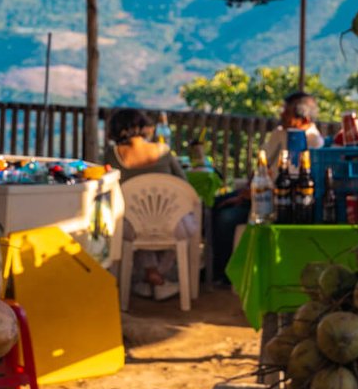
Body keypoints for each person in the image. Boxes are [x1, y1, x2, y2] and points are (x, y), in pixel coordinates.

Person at [212, 92, 326, 283]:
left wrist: (252, 194)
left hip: (274, 202)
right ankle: (211, 267)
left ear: (303, 119)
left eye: (287, 112)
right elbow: (262, 164)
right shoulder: (280, 133)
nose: (281, 115)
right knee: (213, 205)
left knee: (226, 218)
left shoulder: (313, 142)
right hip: (256, 192)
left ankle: (225, 273)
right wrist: (247, 191)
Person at [104, 108, 194, 302]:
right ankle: (159, 277)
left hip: (134, 225)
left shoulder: (112, 156)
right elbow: (184, 186)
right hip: (171, 224)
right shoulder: (164, 152)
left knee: (135, 220)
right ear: (142, 126)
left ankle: (150, 274)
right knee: (179, 221)